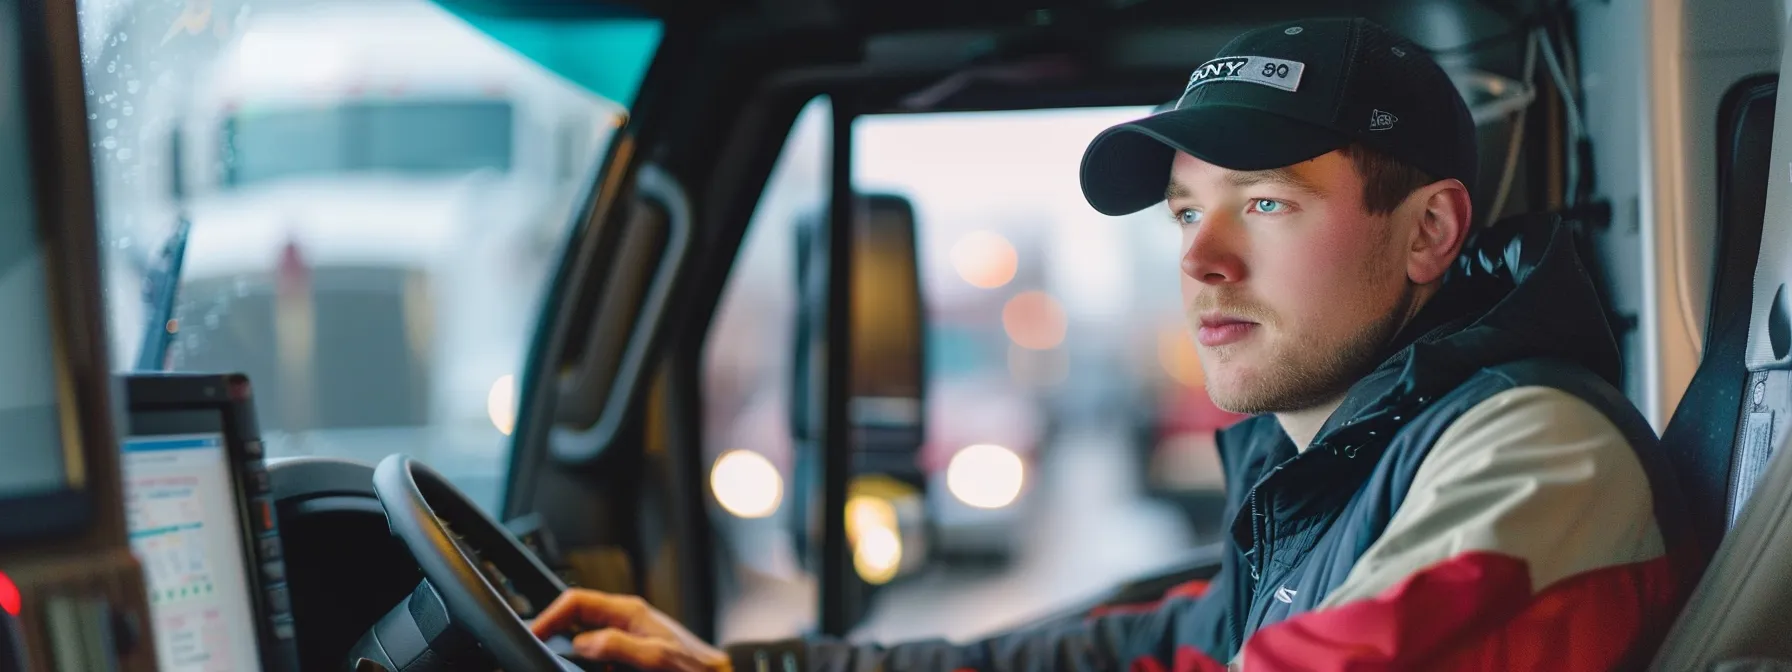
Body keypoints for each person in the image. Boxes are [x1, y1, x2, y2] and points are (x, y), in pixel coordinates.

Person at [529, 17, 1691, 670]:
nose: (1199, 260)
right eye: (1187, 211)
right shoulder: (1320, 474)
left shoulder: (1534, 450)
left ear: (1429, 230)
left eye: (1266, 203)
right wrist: (749, 670)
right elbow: (1112, 661)